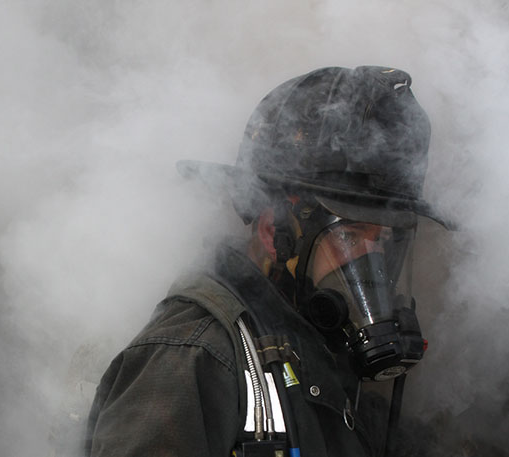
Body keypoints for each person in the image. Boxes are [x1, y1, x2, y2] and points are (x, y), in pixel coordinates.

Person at [85, 66, 452, 457]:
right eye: (350, 235)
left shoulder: (323, 357)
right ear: (272, 230)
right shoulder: (192, 359)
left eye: (384, 239)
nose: (373, 259)